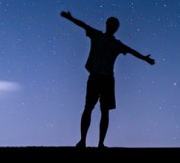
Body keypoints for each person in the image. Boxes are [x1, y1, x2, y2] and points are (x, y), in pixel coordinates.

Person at [61, 10, 155, 148]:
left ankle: (100, 143)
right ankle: (83, 141)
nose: (112, 27)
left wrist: (144, 58)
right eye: (111, 24)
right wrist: (70, 18)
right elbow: (83, 25)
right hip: (95, 76)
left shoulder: (117, 44)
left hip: (107, 79)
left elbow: (131, 50)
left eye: (114, 25)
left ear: (116, 28)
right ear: (107, 25)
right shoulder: (97, 35)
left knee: (104, 111)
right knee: (89, 108)